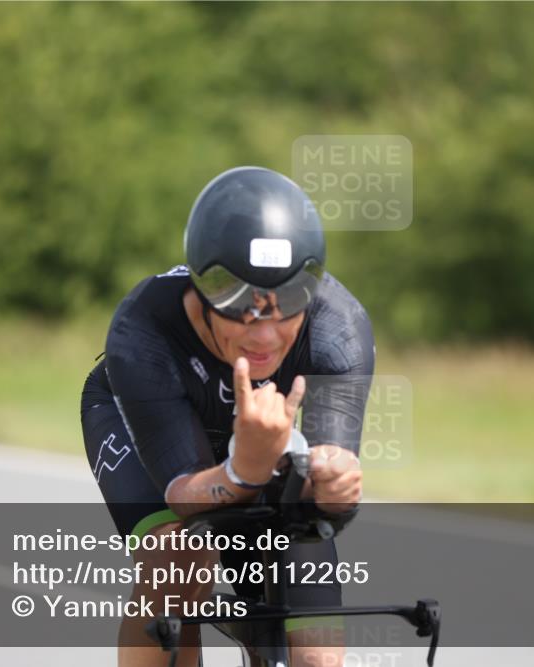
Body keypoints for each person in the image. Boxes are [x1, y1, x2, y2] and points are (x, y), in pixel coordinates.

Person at [81, 166, 375, 667]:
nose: (264, 336)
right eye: (240, 307)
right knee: (180, 560)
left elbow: (325, 504)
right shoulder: (144, 327)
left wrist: (335, 489)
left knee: (316, 654)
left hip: (259, 445)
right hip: (146, 425)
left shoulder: (339, 330)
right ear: (202, 289)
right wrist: (245, 471)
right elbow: (184, 495)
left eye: (287, 307)